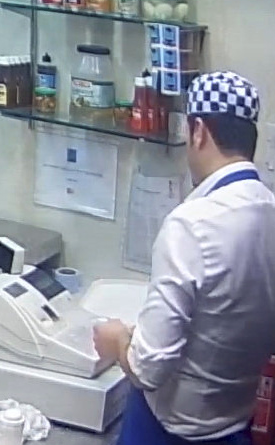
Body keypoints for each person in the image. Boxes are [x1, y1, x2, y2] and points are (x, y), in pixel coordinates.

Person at [93, 71, 275, 445]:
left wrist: (116, 340)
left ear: (198, 132)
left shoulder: (191, 225)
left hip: (168, 433)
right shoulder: (269, 210)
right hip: (235, 428)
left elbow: (148, 369)